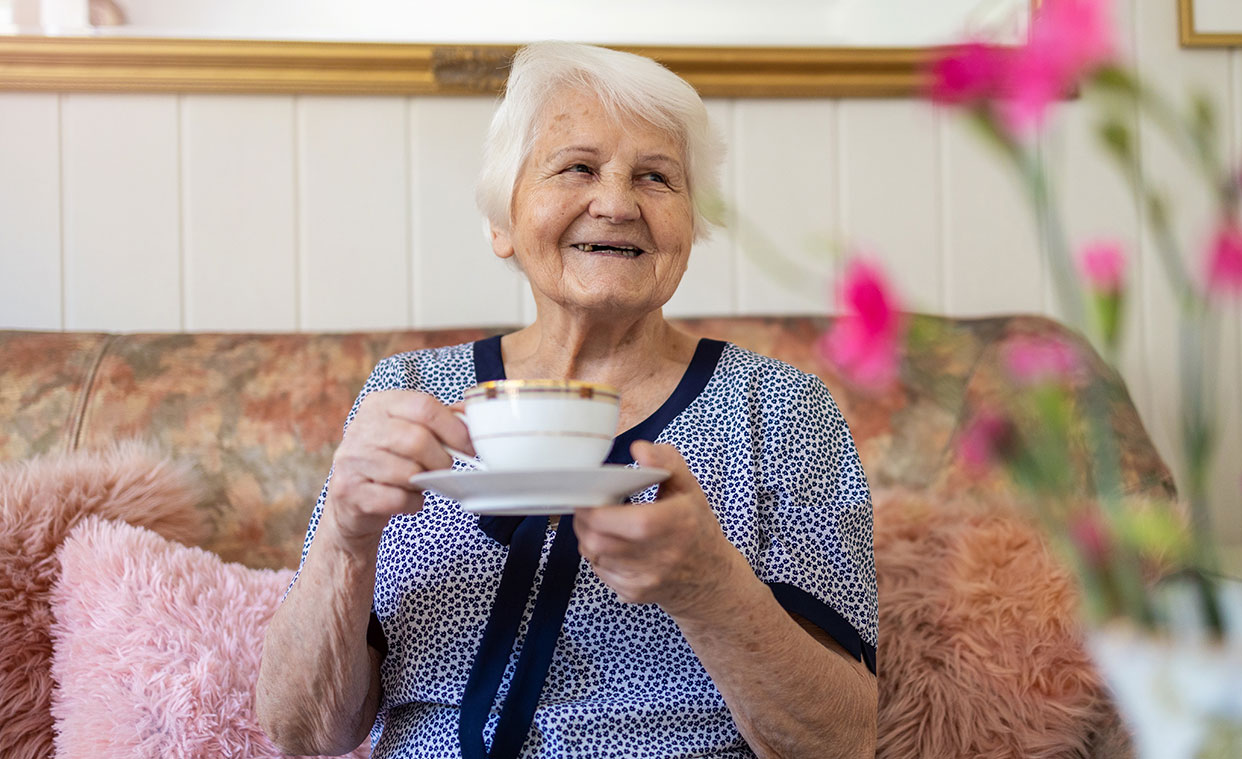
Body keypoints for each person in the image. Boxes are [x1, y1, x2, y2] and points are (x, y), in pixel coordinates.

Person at [256, 41, 876, 759]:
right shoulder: (407, 393)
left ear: (690, 227)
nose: (616, 203)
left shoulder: (779, 410)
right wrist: (344, 536)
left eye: (656, 178)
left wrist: (712, 589)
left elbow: (844, 741)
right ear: (502, 222)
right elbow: (302, 731)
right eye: (578, 167)